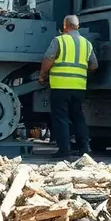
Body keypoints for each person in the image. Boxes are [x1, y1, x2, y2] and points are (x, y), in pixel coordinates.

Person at [39, 14, 98, 158]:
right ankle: (84, 149)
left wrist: (42, 75)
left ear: (65, 26)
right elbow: (94, 65)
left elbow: (48, 59)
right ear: (78, 26)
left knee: (61, 118)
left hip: (60, 86)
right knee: (78, 116)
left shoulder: (59, 40)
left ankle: (64, 151)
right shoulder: (86, 43)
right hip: (79, 87)